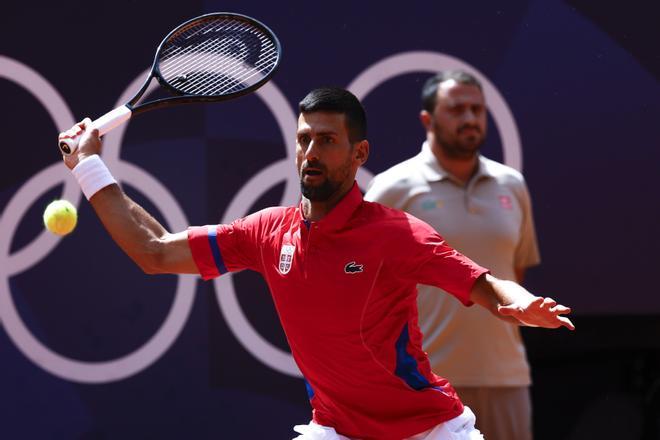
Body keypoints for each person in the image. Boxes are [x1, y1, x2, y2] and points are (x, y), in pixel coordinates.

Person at [59, 87, 573, 440]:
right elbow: (155, 251)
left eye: (327, 141)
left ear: (359, 153)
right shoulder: (265, 231)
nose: (311, 152)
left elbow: (485, 286)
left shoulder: (399, 235)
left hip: (428, 430)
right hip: (335, 430)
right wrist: (88, 166)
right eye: (304, 139)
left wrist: (522, 304)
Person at [364, 71, 542, 440]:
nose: (470, 118)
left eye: (477, 109)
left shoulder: (512, 184)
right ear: (427, 119)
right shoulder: (391, 188)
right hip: (426, 384)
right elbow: (362, 282)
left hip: (507, 379)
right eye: (457, 109)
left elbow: (516, 273)